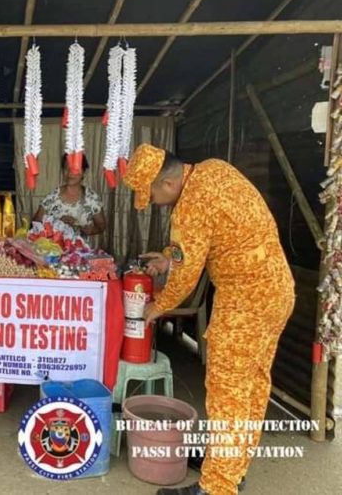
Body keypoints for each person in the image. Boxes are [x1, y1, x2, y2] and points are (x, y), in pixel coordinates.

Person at [123, 144, 295, 495]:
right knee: (251, 387)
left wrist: (158, 306)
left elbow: (187, 273)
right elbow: (209, 235)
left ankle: (217, 488)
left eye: (152, 194)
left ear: (167, 184)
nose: (154, 202)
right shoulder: (213, 170)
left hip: (246, 302)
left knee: (227, 394)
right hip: (277, 291)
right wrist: (169, 256)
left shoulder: (190, 207)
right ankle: (231, 465)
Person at [32, 154, 106, 238]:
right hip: (53, 249)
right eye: (67, 168)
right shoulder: (52, 197)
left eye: (75, 168)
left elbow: (101, 226)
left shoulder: (92, 198)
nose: (70, 172)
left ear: (83, 172)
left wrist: (89, 230)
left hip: (80, 250)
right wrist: (56, 223)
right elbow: (35, 223)